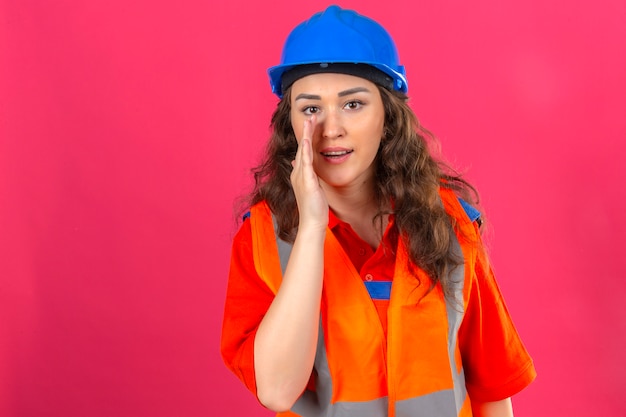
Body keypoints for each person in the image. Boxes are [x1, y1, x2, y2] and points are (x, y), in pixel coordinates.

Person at [221, 5, 536, 417]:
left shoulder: (451, 224)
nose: (331, 128)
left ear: (388, 116)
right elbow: (278, 391)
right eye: (311, 108)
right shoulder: (263, 239)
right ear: (290, 123)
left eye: (353, 105)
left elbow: (493, 387)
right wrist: (312, 226)